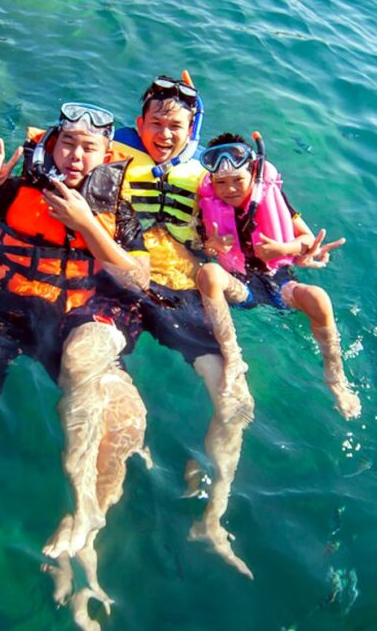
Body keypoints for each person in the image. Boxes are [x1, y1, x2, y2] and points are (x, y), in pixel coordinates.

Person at [0, 102, 151, 611]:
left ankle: (85, 529)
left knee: (126, 428)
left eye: (89, 148)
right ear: (53, 146)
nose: (76, 155)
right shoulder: (15, 191)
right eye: (67, 144)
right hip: (8, 312)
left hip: (83, 320)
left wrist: (88, 224)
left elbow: (139, 282)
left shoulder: (119, 210)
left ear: (106, 155)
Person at [104, 73, 257, 578]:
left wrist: (293, 251)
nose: (164, 135)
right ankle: (98, 514)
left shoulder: (211, 175)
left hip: (182, 289)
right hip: (124, 283)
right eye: (155, 124)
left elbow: (257, 223)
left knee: (236, 403)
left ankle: (212, 518)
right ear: (139, 122)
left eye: (176, 126)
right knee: (101, 386)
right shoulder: (112, 153)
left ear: (191, 127)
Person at [196, 132, 361, 419]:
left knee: (318, 297)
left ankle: (337, 379)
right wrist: (212, 246)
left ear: (254, 174)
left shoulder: (273, 195)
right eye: (221, 183)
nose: (230, 189)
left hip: (278, 281)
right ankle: (233, 358)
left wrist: (283, 249)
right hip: (239, 285)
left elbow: (307, 239)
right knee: (209, 273)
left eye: (238, 180)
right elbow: (203, 245)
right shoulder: (207, 204)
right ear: (212, 182)